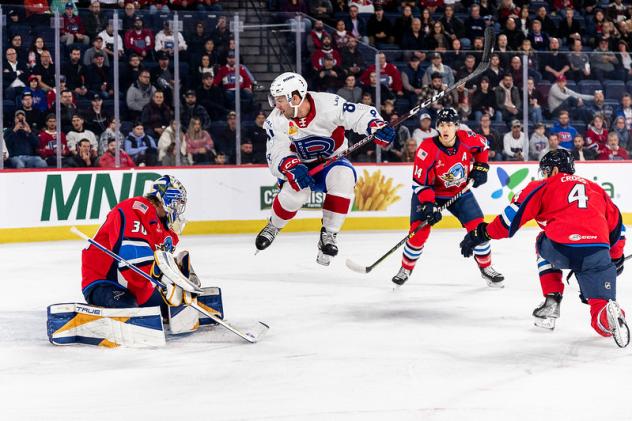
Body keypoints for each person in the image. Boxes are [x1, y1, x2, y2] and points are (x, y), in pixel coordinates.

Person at [460, 150, 628, 348]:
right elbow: (618, 229)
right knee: (599, 305)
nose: (545, 175)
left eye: (546, 171)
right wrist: (615, 258)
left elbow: (508, 221)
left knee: (542, 242)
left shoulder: (542, 186)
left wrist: (482, 234)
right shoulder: (596, 189)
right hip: (597, 251)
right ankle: (609, 313)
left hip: (560, 248)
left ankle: (552, 298)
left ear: (555, 170)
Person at [255, 72, 395, 266]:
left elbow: (358, 114)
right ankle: (274, 226)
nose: (275, 106)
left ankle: (328, 235)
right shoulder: (276, 120)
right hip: (300, 165)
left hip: (331, 161)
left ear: (295, 98)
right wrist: (290, 166)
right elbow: (275, 152)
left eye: (279, 100)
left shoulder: (329, 105)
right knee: (296, 194)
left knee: (344, 177)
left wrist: (376, 126)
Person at [391, 107, 504, 287]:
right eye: (442, 125)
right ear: (437, 127)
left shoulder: (468, 139)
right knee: (419, 232)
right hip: (431, 194)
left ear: (457, 127)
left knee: (479, 229)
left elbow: (484, 146)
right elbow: (421, 183)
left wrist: (481, 167)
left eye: (449, 125)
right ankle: (406, 268)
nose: (445, 129)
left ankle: (486, 268)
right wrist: (429, 205)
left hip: (460, 193)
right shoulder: (427, 149)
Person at [81, 175, 189, 313]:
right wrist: (165, 278)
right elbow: (133, 263)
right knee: (131, 311)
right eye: (176, 202)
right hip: (105, 282)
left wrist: (176, 276)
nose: (178, 209)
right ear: (163, 200)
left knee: (173, 306)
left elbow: (155, 264)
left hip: (133, 287)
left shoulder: (160, 225)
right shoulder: (133, 209)